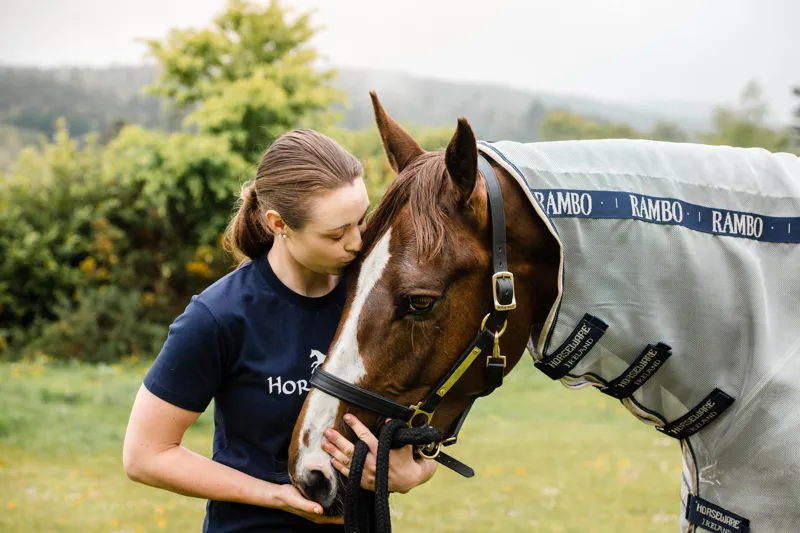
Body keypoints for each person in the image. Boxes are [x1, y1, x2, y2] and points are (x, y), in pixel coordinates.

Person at [122, 129, 438, 533]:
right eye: (336, 234)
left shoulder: (377, 300)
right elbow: (146, 455)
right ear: (279, 224)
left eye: (362, 220)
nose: (357, 243)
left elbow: (423, 420)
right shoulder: (219, 316)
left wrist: (416, 471)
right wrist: (274, 495)